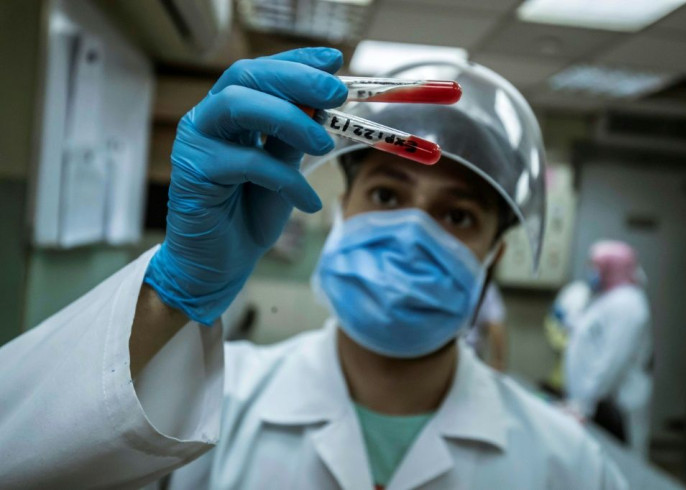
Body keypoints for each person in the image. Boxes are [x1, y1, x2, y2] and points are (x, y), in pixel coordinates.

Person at [0, 48, 627, 489]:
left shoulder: (569, 466)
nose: (412, 233)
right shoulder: (211, 406)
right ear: (343, 207)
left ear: (493, 253)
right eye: (386, 195)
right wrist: (171, 294)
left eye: (458, 216)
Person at [565, 241, 653, 459]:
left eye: (596, 266)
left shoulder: (629, 305)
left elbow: (612, 360)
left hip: (614, 406)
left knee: (618, 466)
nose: (591, 271)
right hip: (595, 404)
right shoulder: (608, 298)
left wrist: (584, 403)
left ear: (612, 268)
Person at [464, 282, 508, 370]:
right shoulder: (480, 282)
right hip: (470, 355)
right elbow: (496, 326)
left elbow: (495, 326)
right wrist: (498, 361)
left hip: (439, 356)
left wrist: (498, 361)